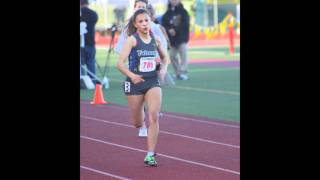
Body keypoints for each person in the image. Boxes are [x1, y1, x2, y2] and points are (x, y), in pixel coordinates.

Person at [116, 8, 169, 167]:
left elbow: (165, 57)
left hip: (152, 81)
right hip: (134, 84)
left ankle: (150, 154)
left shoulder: (156, 39)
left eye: (146, 20)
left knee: (154, 116)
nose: (144, 24)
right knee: (138, 123)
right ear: (135, 24)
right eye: (140, 21)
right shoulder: (132, 40)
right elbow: (119, 63)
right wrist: (132, 76)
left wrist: (164, 68)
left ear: (150, 21)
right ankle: (141, 113)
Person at [162, 0, 190, 80]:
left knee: (183, 56)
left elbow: (185, 24)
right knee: (172, 56)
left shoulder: (184, 12)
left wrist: (175, 30)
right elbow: (164, 24)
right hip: (172, 40)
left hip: (182, 38)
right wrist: (169, 29)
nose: (173, 1)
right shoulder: (167, 13)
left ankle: (183, 73)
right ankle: (178, 73)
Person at [80, 0, 98, 84]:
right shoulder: (93, 14)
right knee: (91, 63)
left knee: (81, 65)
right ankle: (92, 81)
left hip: (81, 44)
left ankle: (82, 82)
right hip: (90, 43)